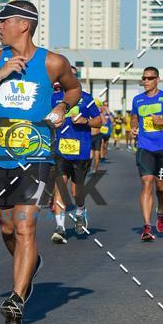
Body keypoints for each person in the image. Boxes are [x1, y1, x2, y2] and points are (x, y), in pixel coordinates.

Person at [0, 0, 81, 324]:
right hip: (0, 157)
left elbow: (73, 90)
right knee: (7, 228)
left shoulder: (53, 63)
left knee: (25, 225)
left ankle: (17, 298)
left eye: (4, 21)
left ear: (24, 25)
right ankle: (31, 264)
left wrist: (62, 108)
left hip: (37, 156)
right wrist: (1, 73)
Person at [130, 67, 163, 242]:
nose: (146, 81)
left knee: (161, 188)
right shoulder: (137, 100)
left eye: (150, 78)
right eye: (144, 78)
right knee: (147, 183)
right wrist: (134, 126)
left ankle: (161, 211)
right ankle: (147, 226)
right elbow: (134, 117)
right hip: (145, 147)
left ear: (157, 80)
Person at [51, 70, 101, 243]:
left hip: (81, 151)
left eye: (71, 75)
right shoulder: (55, 98)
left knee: (76, 191)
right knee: (61, 188)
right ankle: (60, 228)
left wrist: (85, 122)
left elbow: (99, 121)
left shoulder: (87, 99)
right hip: (61, 151)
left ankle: (80, 211)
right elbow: (48, 120)